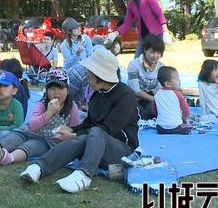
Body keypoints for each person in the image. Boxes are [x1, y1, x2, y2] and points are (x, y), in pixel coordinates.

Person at [20, 49, 139, 194]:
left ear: (99, 75)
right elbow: (89, 122)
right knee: (84, 137)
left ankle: (85, 174)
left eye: (89, 73)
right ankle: (39, 167)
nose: (87, 76)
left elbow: (107, 129)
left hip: (121, 151)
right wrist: (73, 130)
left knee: (94, 133)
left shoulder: (126, 96)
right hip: (95, 145)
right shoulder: (97, 95)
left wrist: (74, 135)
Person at [0, 68, 80, 166]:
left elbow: (74, 130)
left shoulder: (72, 108)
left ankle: (9, 158)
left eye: (60, 88)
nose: (56, 92)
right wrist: (48, 113)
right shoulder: (42, 104)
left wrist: (67, 137)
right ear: (46, 91)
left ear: (68, 90)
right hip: (26, 132)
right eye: (51, 88)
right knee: (9, 141)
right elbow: (33, 125)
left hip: (45, 141)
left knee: (29, 147)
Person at [108, 0, 172, 58]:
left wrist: (165, 32)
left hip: (156, 36)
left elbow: (160, 15)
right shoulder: (131, 4)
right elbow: (127, 24)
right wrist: (115, 33)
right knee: (136, 61)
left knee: (152, 60)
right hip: (143, 37)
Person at [127, 34, 165, 120]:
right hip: (134, 97)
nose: (155, 56)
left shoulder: (162, 67)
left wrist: (159, 101)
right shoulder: (134, 65)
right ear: (145, 50)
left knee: (153, 111)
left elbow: (159, 90)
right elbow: (136, 91)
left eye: (158, 53)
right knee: (137, 113)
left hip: (151, 98)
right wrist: (156, 100)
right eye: (152, 52)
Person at [152, 66, 192, 135]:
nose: (179, 80)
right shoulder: (177, 94)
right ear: (167, 84)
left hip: (161, 128)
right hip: (176, 127)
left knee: (159, 126)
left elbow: (155, 110)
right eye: (177, 79)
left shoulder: (157, 94)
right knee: (188, 128)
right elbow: (186, 110)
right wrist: (184, 119)